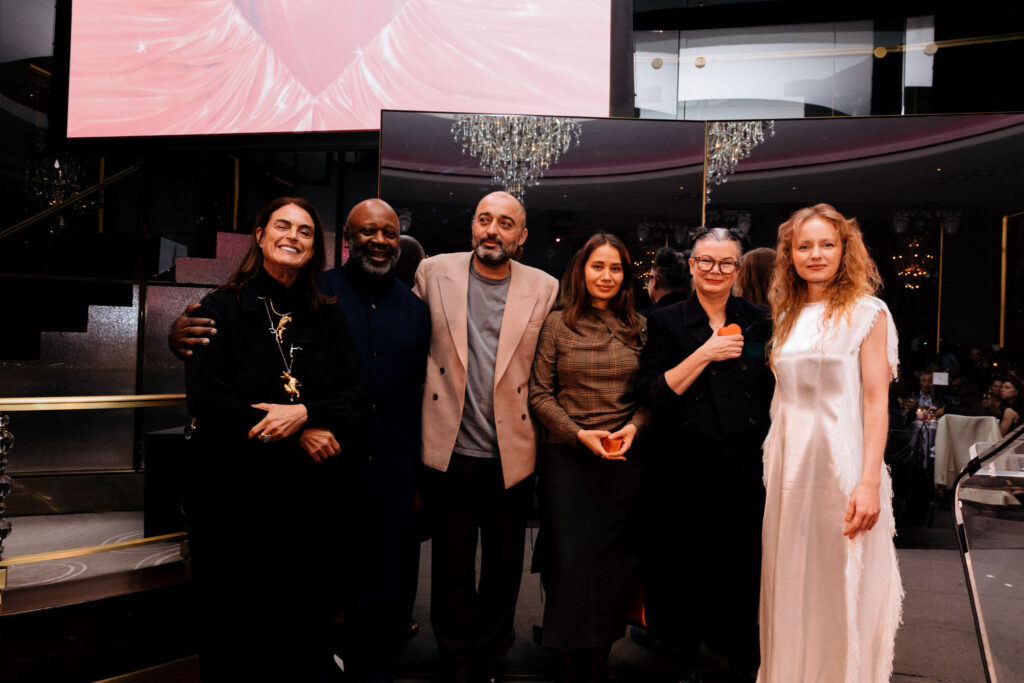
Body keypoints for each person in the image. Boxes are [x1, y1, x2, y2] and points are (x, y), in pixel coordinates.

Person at [183, 197, 366, 681]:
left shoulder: (328, 315)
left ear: (316, 248)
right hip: (236, 504)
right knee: (236, 636)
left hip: (308, 507)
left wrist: (304, 413)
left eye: (305, 231)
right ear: (260, 235)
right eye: (282, 226)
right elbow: (207, 402)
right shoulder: (219, 308)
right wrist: (298, 431)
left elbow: (357, 394)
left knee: (304, 635)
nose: (293, 236)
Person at [413, 191, 559, 683]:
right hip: (449, 447)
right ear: (472, 227)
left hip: (511, 450)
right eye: (483, 219)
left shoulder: (545, 287)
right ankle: (456, 658)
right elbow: (405, 345)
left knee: (504, 564)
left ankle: (491, 655)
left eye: (504, 223)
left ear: (521, 237)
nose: (491, 230)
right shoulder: (434, 272)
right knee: (450, 566)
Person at [759, 203, 902, 682]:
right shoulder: (786, 313)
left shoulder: (868, 313)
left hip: (842, 470)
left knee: (838, 588)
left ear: (845, 250)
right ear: (790, 255)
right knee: (790, 585)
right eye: (804, 246)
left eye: (826, 244)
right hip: (787, 473)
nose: (815, 254)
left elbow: (875, 403)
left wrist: (867, 484)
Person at [635, 227, 773, 683]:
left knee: (739, 570)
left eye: (726, 262)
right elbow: (654, 395)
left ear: (738, 268)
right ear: (691, 265)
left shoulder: (761, 321)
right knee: (681, 570)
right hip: (680, 465)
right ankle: (684, 660)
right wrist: (707, 352)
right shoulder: (665, 321)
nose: (716, 270)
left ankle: (734, 661)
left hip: (744, 466)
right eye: (706, 261)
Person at [528, 233, 650, 683]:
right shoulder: (558, 324)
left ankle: (598, 664)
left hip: (624, 461)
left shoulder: (640, 326)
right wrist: (580, 434)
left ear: (625, 276)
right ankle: (566, 663)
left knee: (616, 567)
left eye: (615, 268)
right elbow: (540, 394)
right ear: (582, 271)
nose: (607, 276)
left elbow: (650, 395)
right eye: (598, 266)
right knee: (569, 566)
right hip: (569, 461)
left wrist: (632, 428)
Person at [319, 199, 431, 682]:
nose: (380, 241)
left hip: (392, 475)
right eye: (369, 232)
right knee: (319, 590)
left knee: (384, 598)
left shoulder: (415, 309)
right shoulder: (315, 294)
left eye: (388, 233)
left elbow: (422, 391)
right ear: (347, 236)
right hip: (323, 472)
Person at [643, 246, 689, 312]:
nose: (647, 284)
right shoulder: (697, 313)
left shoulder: (646, 319)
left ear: (656, 281)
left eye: (649, 279)